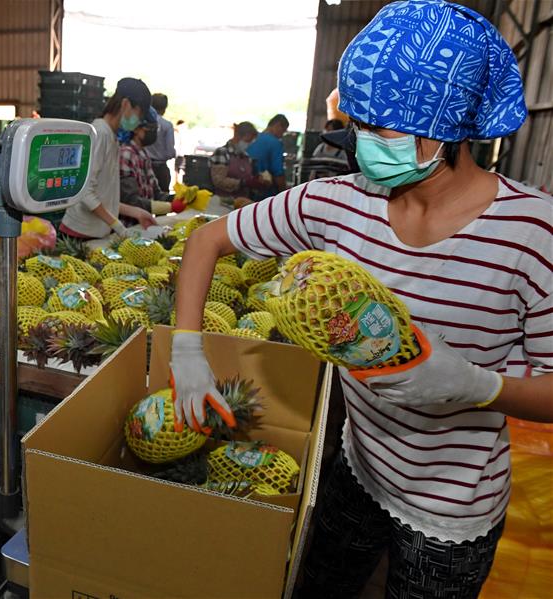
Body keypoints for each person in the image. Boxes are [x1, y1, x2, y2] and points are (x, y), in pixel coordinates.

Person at [170, 2, 551, 598]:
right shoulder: (336, 203)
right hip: (356, 468)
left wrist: (478, 385)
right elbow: (205, 241)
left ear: (446, 126)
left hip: (452, 512)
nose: (366, 145)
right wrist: (187, 352)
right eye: (359, 125)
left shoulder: (533, 233)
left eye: (384, 129)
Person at [59, 77, 157, 239]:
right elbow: (84, 192)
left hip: (95, 233)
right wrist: (117, 225)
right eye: (139, 115)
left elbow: (105, 197)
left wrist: (137, 212)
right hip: (80, 233)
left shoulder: (112, 137)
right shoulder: (100, 134)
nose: (138, 121)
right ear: (126, 104)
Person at [119, 108, 173, 220]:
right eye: (150, 129)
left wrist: (179, 198)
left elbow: (156, 193)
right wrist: (168, 207)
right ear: (136, 129)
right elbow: (131, 200)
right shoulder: (126, 155)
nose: (153, 133)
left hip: (142, 222)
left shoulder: (143, 154)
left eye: (155, 129)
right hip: (129, 224)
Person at [208, 121, 260, 201]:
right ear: (237, 136)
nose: (248, 144)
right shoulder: (222, 152)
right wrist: (242, 183)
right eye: (247, 141)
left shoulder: (246, 156)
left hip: (242, 201)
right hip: (223, 201)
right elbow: (219, 181)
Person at [246, 113, 289, 196]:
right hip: (265, 192)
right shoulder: (275, 143)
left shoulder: (253, 139)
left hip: (248, 188)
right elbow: (278, 172)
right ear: (277, 125)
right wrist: (284, 194)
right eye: (283, 131)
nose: (282, 135)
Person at [146, 93, 176, 193]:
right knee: (162, 198)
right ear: (164, 108)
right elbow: (170, 152)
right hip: (160, 169)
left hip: (144, 166)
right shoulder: (167, 125)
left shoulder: (143, 123)